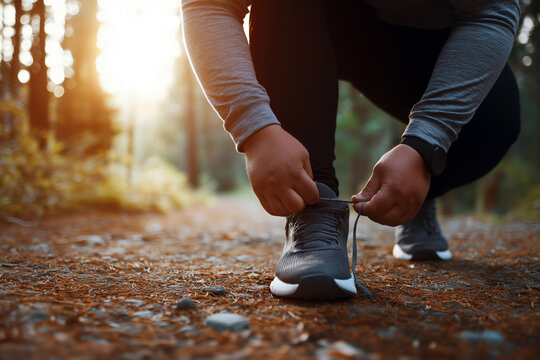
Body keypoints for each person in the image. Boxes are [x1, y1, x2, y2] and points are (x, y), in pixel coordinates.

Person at [181, 0, 521, 300]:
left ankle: (416, 189)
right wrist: (255, 129)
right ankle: (315, 207)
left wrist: (424, 145)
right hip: (310, 21)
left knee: (495, 120)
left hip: (431, 35)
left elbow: (491, 10)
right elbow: (209, 4)